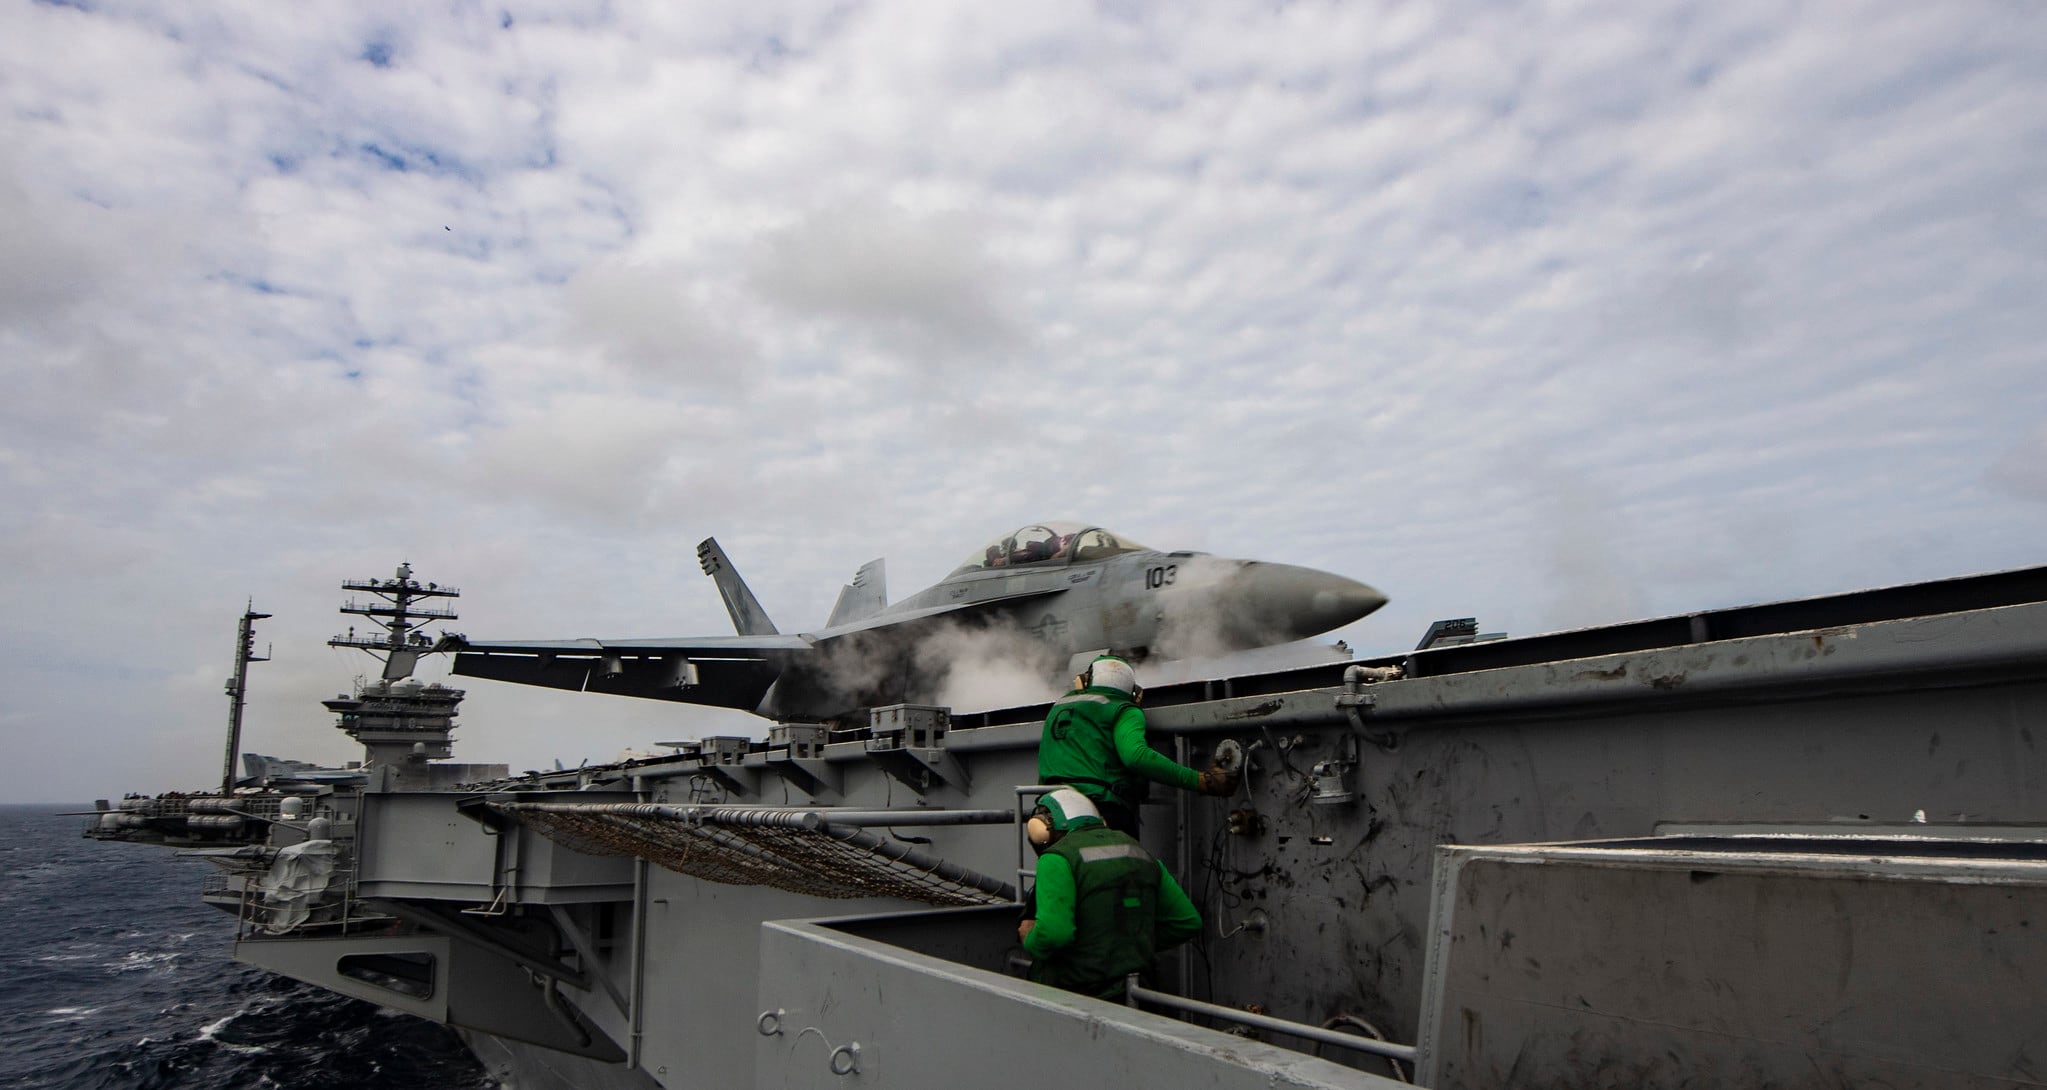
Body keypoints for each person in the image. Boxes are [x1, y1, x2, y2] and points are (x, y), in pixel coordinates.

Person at [1018, 788, 1201, 999]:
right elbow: (1187, 922)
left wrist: (1030, 939)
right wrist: (1127, 945)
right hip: (1141, 994)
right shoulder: (1141, 852)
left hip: (1078, 997)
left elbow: (1054, 934)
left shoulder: (1056, 858)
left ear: (1042, 828)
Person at [1037, 655, 1237, 836]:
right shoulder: (1124, 709)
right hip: (1100, 812)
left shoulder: (1059, 706)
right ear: (1134, 693)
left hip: (1050, 812)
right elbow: (1135, 756)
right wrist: (1200, 780)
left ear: (1084, 681)